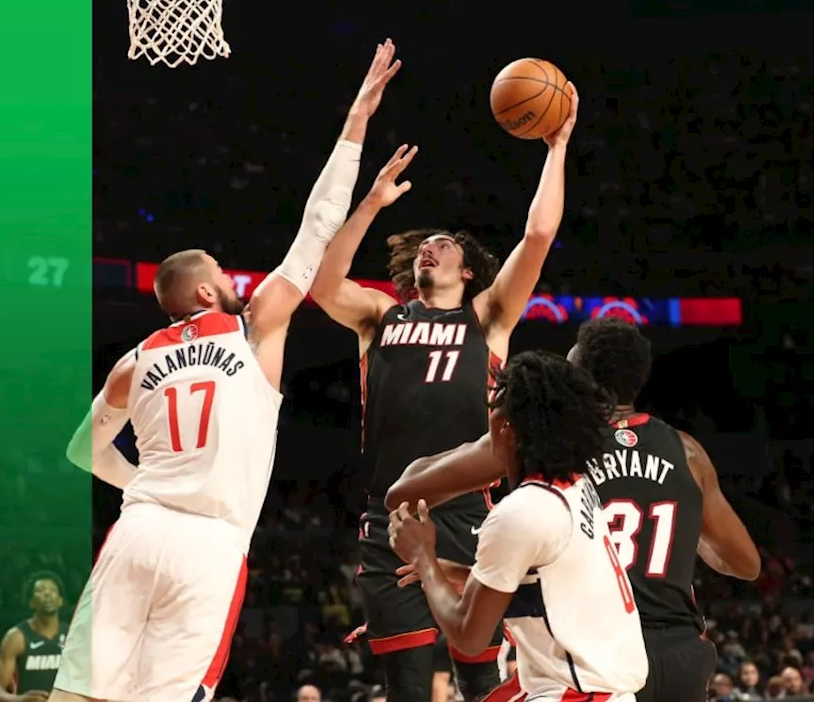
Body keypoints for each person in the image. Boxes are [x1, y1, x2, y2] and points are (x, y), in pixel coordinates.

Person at [47, 40, 403, 702]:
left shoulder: (137, 358)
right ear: (206, 294)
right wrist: (356, 120)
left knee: (77, 695)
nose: (230, 274)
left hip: (138, 528)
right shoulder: (254, 325)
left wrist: (148, 487)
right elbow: (317, 225)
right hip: (207, 544)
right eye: (219, 269)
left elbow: (79, 449)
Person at [309, 48, 579, 702]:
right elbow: (321, 284)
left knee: (477, 674)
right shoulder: (379, 314)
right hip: (390, 515)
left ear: (467, 270)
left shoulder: (490, 316)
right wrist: (371, 202)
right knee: (405, 685)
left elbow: (538, 235)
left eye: (445, 245)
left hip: (471, 513)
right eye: (425, 245)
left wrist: (556, 146)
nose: (431, 246)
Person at [385, 318, 760, 702]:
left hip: (594, 650)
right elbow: (745, 565)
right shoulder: (687, 452)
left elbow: (404, 493)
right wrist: (680, 528)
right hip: (678, 653)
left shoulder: (552, 447)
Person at [388, 351, 647, 702]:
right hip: (603, 688)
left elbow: (467, 635)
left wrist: (425, 559)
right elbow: (545, 586)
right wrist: (456, 573)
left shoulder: (522, 512)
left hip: (577, 694)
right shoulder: (574, 486)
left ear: (503, 425)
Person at [0, 572, 69, 702]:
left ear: (61, 601)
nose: (47, 593)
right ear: (31, 602)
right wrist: (20, 700)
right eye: (40, 590)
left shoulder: (73, 635)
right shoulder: (16, 637)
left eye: (53, 590)